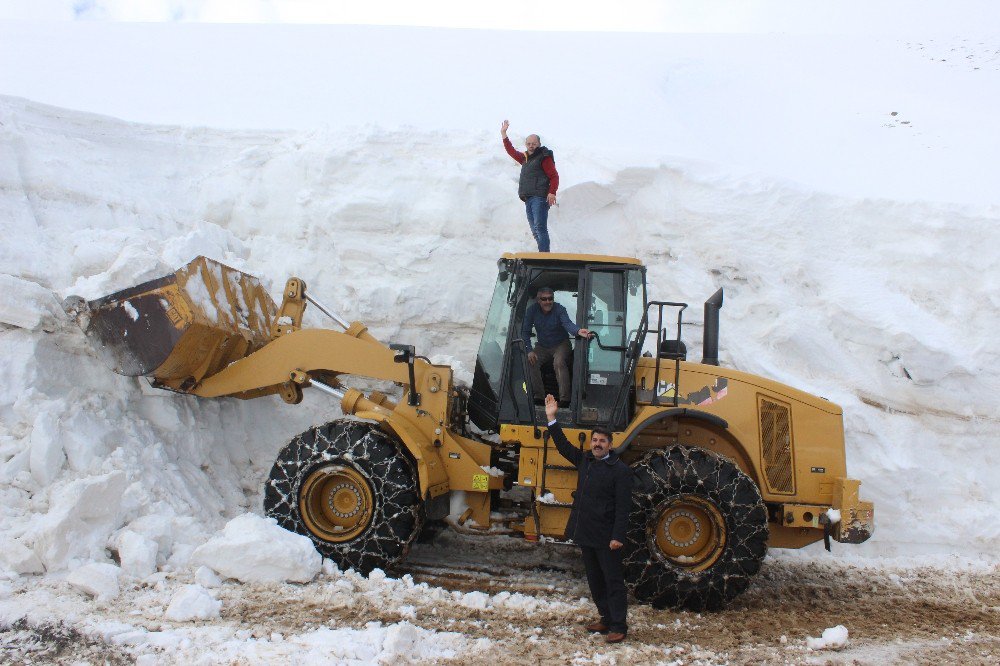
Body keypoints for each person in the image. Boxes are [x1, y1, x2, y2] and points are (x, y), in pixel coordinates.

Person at [545, 394, 632, 644]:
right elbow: (562, 445)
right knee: (595, 580)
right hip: (586, 532)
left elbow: (623, 508)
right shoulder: (584, 460)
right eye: (594, 440)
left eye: (602, 441)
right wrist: (552, 418)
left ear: (610, 445)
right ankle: (605, 617)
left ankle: (619, 625)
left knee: (613, 580)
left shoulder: (620, 471)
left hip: (607, 537)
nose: (597, 444)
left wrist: (617, 536)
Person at [521, 287, 591, 406]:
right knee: (531, 361)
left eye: (550, 298)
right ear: (538, 300)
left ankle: (565, 399)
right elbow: (525, 332)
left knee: (558, 362)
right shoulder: (532, 311)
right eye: (544, 299)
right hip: (542, 346)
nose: (548, 302)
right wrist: (529, 350)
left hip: (561, 344)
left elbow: (567, 323)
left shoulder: (559, 309)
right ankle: (539, 397)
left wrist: (578, 331)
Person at [501, 119, 559, 252]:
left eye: (534, 143)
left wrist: (552, 192)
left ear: (539, 144)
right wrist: (504, 134)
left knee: (540, 227)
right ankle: (542, 254)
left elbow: (554, 176)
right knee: (534, 230)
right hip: (529, 199)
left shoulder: (544, 157)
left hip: (539, 198)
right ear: (526, 144)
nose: (531, 146)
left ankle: (544, 256)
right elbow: (511, 151)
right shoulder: (525, 158)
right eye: (528, 143)